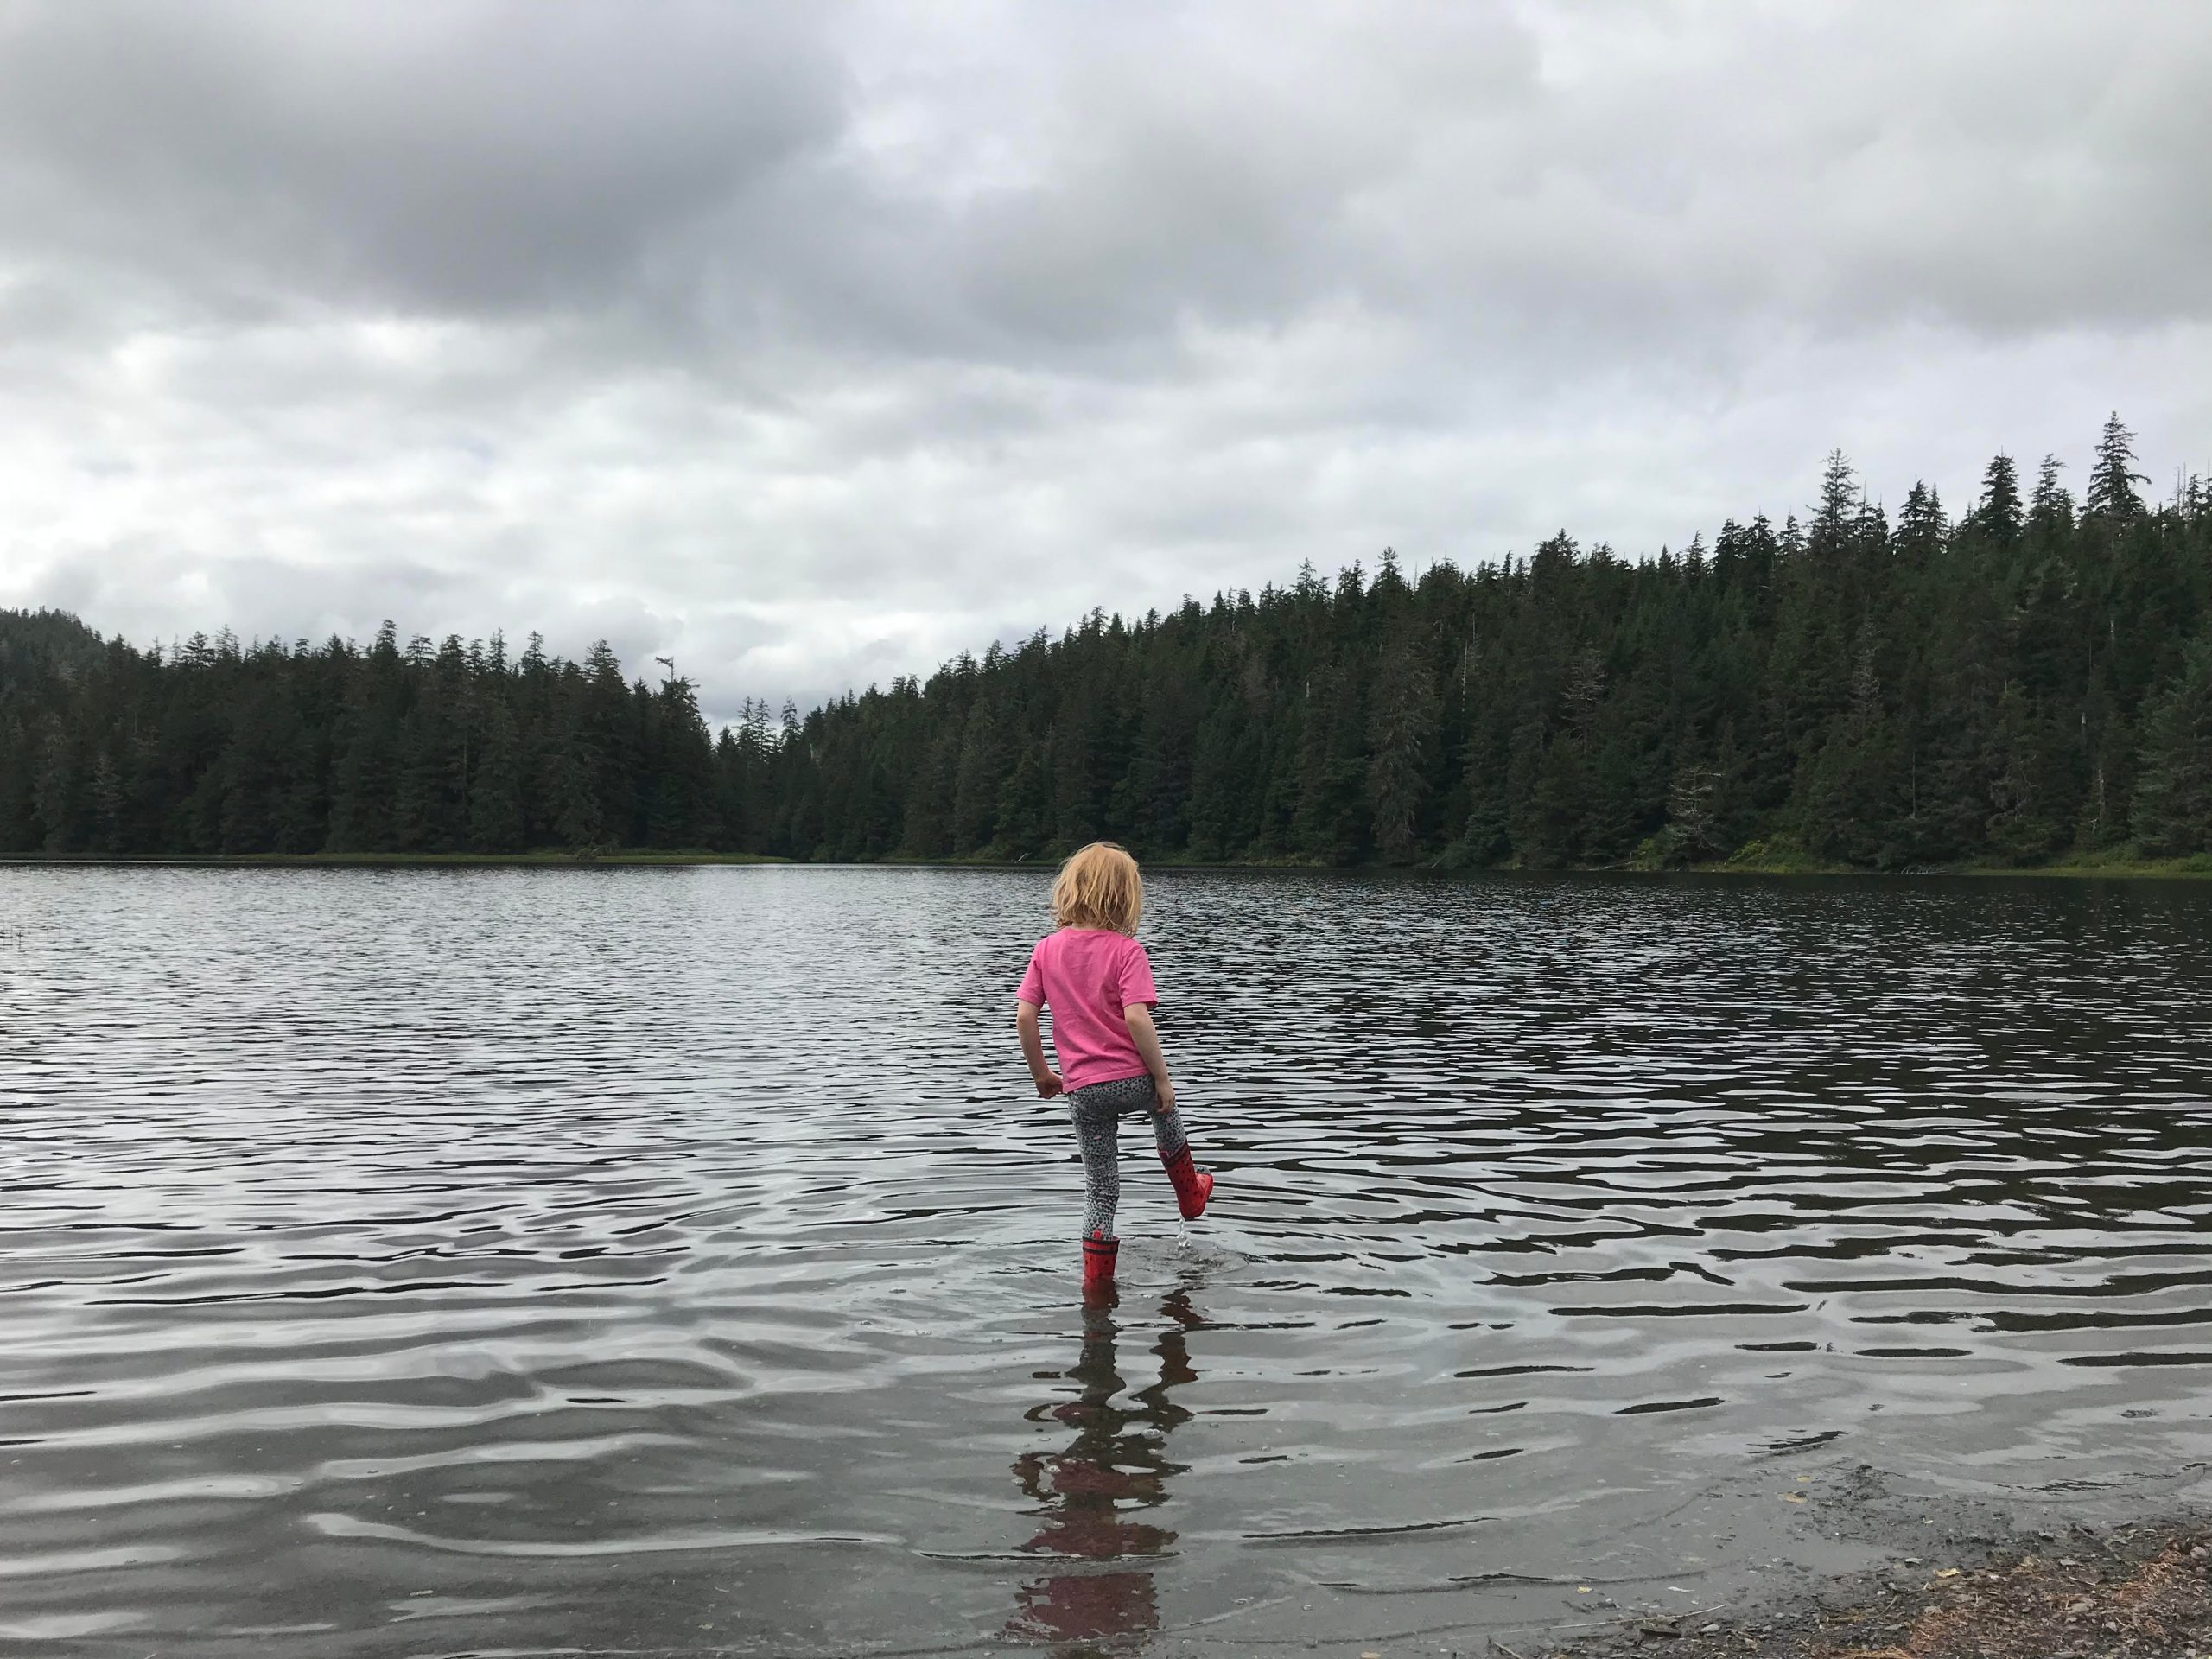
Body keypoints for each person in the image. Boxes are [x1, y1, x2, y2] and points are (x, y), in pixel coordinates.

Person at [1015, 842, 1213, 1302]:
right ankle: (1189, 1192)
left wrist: (1041, 1074)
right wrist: (1161, 1080)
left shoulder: (1045, 951)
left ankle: (1096, 1286)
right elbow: (1138, 1018)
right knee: (1166, 1111)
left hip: (1083, 1091)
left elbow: (1025, 1016)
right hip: (1132, 1079)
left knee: (1101, 1190)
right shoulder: (1127, 951)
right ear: (1125, 898)